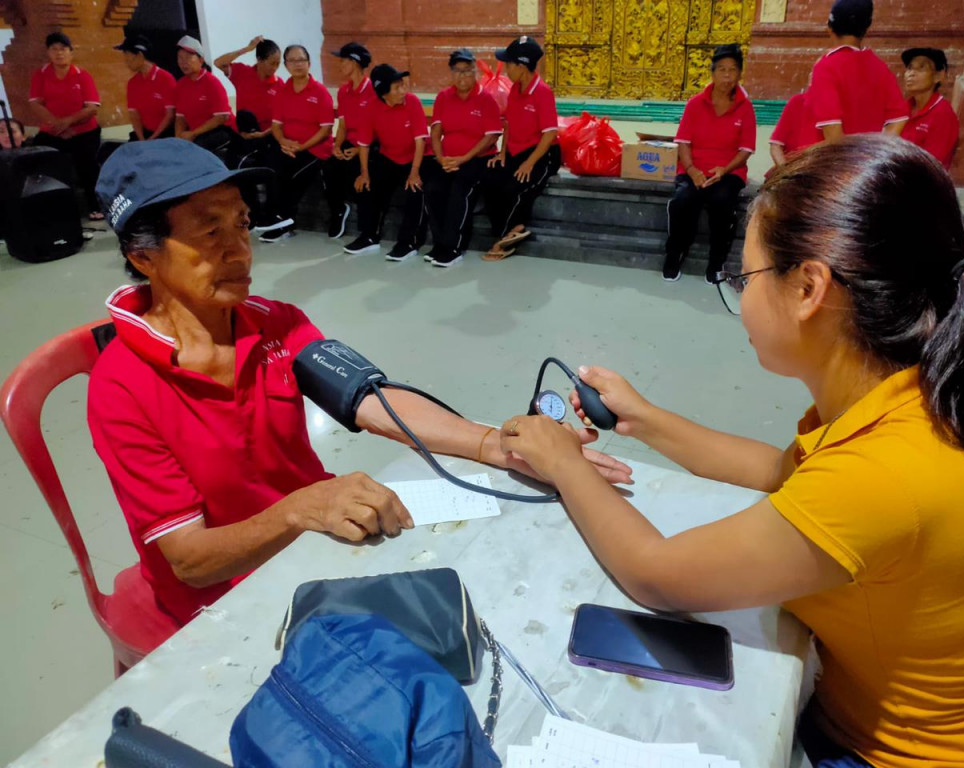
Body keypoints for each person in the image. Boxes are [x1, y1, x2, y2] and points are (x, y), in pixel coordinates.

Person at [498, 136, 964, 767]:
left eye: (741, 276)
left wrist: (562, 463)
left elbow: (655, 574)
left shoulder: (889, 473)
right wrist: (647, 419)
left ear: (807, 288)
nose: (738, 295)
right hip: (851, 716)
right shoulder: (898, 396)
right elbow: (781, 473)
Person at [89, 139, 631, 627]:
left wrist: (500, 445)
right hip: (229, 597)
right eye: (210, 232)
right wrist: (298, 508)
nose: (240, 250)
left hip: (318, 541)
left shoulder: (274, 322)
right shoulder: (122, 387)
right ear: (144, 256)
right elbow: (188, 560)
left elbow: (376, 402)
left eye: (242, 224)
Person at [664, 43, 756, 284]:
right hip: (693, 168)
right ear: (713, 73)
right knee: (682, 202)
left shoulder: (745, 108)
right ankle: (674, 254)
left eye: (733, 70)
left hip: (729, 171)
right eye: (722, 70)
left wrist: (724, 170)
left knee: (722, 202)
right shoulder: (695, 103)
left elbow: (746, 149)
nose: (727, 76)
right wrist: (692, 170)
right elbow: (683, 142)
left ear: (739, 73)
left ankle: (716, 262)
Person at [241, 44, 335, 244]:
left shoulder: (320, 92)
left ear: (309, 63)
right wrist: (283, 142)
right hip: (288, 145)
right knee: (271, 168)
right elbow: (276, 126)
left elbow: (325, 129)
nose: (297, 64)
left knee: (293, 176)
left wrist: (301, 147)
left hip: (315, 149)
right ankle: (272, 219)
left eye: (301, 60)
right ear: (286, 65)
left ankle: (284, 222)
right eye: (292, 61)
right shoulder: (283, 91)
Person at [482, 36, 561, 262]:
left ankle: (508, 234)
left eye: (508, 64)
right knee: (489, 179)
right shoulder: (515, 89)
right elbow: (509, 124)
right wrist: (502, 152)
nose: (505, 69)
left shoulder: (542, 92)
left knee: (518, 185)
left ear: (522, 66)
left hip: (542, 154)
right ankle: (505, 232)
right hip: (516, 151)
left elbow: (550, 134)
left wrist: (530, 163)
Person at [422, 49, 502, 267]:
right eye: (457, 71)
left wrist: (463, 158)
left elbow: (492, 135)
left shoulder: (485, 99)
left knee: (460, 190)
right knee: (432, 189)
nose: (462, 76)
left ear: (475, 72)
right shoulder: (443, 97)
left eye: (467, 71)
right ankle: (439, 244)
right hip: (448, 160)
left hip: (478, 158)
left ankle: (454, 247)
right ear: (451, 73)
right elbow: (436, 131)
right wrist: (440, 158)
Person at [344, 64, 429, 261]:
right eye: (396, 87)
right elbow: (364, 144)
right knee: (367, 185)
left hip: (415, 158)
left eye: (402, 85)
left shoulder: (412, 102)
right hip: (389, 156)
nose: (402, 91)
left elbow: (420, 141)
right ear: (383, 94)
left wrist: (415, 171)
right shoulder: (371, 107)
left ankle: (409, 242)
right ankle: (368, 236)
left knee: (415, 191)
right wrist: (364, 172)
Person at [805, 0, 908, 141]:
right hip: (870, 160)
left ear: (829, 28)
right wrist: (876, 152)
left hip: (835, 159)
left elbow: (832, 132)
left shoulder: (825, 67)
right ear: (866, 29)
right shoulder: (879, 67)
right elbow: (899, 118)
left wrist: (848, 160)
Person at [28, 32, 103, 220]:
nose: (59, 53)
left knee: (87, 164)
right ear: (48, 52)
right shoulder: (41, 75)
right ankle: (55, 209)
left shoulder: (82, 75)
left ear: (71, 52)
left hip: (83, 130)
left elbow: (91, 108)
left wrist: (67, 123)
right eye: (54, 49)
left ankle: (95, 206)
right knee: (38, 158)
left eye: (63, 49)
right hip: (53, 131)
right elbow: (35, 104)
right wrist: (57, 126)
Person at [322, 42, 373, 241]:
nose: (340, 64)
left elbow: (378, 127)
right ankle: (338, 210)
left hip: (369, 145)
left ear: (355, 62)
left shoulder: (373, 91)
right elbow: (342, 126)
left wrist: (360, 150)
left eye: (343, 60)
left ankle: (366, 230)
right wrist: (336, 145)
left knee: (359, 172)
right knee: (328, 168)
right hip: (349, 143)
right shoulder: (344, 91)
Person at [213, 36, 283, 152]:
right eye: (272, 63)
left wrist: (263, 134)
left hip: (267, 137)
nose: (275, 68)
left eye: (278, 64)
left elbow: (282, 119)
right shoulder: (242, 73)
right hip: (241, 135)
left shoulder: (279, 84)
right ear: (260, 60)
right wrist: (247, 49)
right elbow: (219, 63)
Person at [174, 36, 239, 159]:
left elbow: (222, 117)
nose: (183, 62)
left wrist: (193, 134)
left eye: (188, 57)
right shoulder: (181, 85)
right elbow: (180, 117)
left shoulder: (211, 82)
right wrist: (179, 137)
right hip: (196, 133)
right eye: (180, 58)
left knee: (195, 150)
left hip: (222, 130)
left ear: (201, 60)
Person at [900, 47, 960, 170]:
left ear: (938, 76)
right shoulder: (902, 109)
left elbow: (930, 166)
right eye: (910, 68)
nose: (911, 74)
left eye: (921, 68)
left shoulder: (943, 114)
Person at [116, 34, 177, 141]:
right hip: (144, 134)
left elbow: (170, 115)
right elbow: (134, 115)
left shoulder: (166, 79)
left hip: (166, 134)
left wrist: (153, 138)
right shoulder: (132, 83)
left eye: (127, 55)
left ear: (140, 55)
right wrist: (142, 139)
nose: (126, 61)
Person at [767, 87, 822, 170]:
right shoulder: (797, 102)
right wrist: (786, 172)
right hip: (791, 171)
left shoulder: (842, 108)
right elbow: (775, 146)